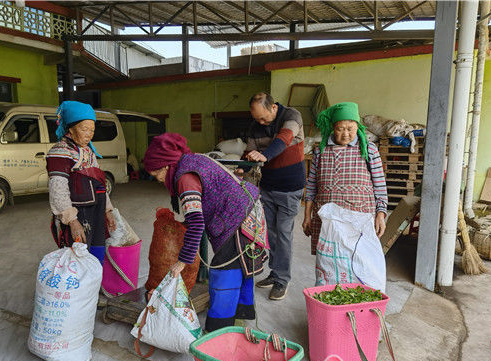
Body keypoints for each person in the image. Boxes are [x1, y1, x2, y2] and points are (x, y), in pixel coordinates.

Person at [143, 133, 268, 332]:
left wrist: (182, 262)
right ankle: (240, 317)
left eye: (156, 174)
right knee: (240, 270)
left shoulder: (184, 178)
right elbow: (198, 211)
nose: (158, 180)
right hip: (248, 210)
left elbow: (197, 223)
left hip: (239, 219)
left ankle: (219, 329)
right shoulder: (191, 160)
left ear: (166, 166)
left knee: (224, 274)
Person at [302, 102, 387, 254]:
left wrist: (380, 214)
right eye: (340, 129)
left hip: (359, 219)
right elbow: (312, 186)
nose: (346, 134)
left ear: (358, 127)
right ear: (332, 128)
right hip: (327, 221)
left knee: (357, 261)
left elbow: (380, 186)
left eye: (350, 129)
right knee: (330, 261)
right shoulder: (320, 151)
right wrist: (307, 215)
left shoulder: (368, 149)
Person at [245, 92, 305, 301]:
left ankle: (282, 280)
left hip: (290, 187)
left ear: (273, 108)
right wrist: (245, 164)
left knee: (284, 233)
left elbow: (284, 138)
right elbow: (250, 151)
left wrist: (265, 155)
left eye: (263, 118)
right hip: (267, 187)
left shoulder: (291, 115)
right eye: (257, 119)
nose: (260, 123)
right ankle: (275, 272)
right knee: (270, 233)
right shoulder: (255, 126)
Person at [46, 101, 116, 263]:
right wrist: (72, 221)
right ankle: (81, 288)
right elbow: (58, 190)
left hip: (96, 213)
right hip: (78, 215)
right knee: (78, 257)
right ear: (71, 128)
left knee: (98, 251)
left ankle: (94, 285)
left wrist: (108, 211)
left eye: (92, 130)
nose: (89, 134)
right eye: (85, 129)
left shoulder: (88, 151)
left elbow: (100, 182)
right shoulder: (60, 151)